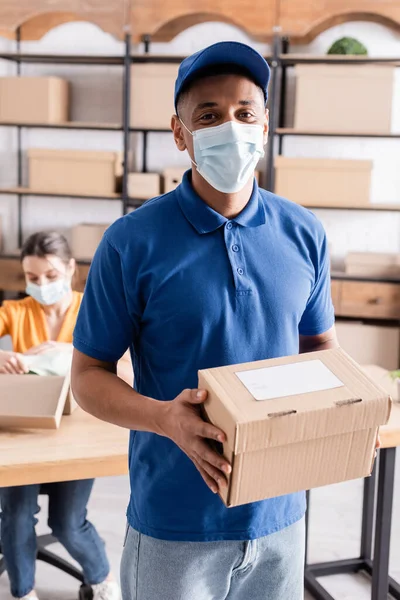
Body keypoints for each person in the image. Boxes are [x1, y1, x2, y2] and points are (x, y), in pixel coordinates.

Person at [71, 42, 338, 600]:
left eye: (246, 112)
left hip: (282, 517)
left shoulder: (304, 233)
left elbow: (320, 351)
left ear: (265, 125)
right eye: (209, 116)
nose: (232, 127)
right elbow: (88, 376)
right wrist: (166, 419)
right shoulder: (131, 242)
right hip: (175, 524)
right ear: (179, 133)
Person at [0, 231, 122, 600]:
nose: (42, 286)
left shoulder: (93, 309)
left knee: (68, 522)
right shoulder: (15, 311)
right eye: (33, 279)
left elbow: (129, 365)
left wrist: (67, 351)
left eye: (51, 276)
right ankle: (23, 591)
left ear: (71, 268)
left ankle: (102, 579)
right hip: (28, 428)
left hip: (80, 430)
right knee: (17, 517)